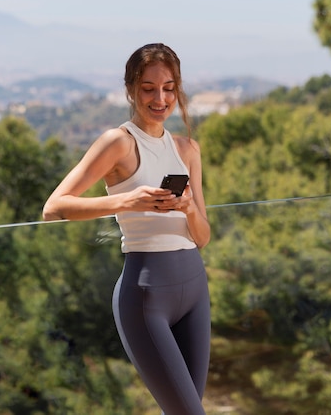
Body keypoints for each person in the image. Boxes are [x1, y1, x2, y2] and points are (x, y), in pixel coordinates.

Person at [43, 42, 211, 415]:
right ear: (131, 88)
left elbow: (202, 236)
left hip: (196, 291)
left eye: (168, 87)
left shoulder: (187, 149)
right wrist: (126, 200)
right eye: (148, 88)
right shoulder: (117, 142)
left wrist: (186, 208)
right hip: (146, 295)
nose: (160, 97)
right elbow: (54, 207)